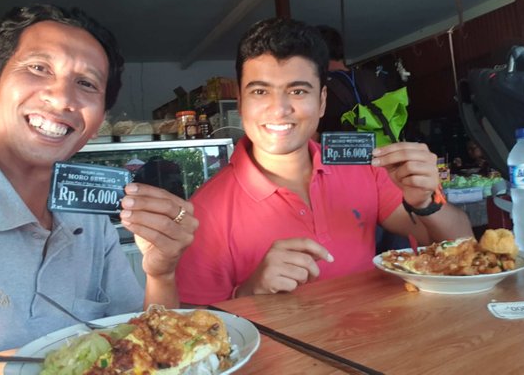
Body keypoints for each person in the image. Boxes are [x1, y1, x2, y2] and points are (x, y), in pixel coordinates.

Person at [0, 5, 197, 360]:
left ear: (96, 124)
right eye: (38, 68)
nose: (62, 98)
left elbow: (146, 351)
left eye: (86, 84)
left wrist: (162, 273)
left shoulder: (93, 221)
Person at [175, 17, 472, 305]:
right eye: (260, 91)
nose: (279, 109)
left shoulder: (362, 168)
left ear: (322, 102)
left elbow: (462, 245)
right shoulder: (204, 212)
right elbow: (192, 330)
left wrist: (426, 202)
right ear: (241, 103)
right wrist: (250, 292)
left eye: (298, 90)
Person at [314, 25, 387, 137]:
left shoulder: (319, 85)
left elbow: (314, 136)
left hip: (336, 151)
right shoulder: (371, 78)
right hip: (380, 150)